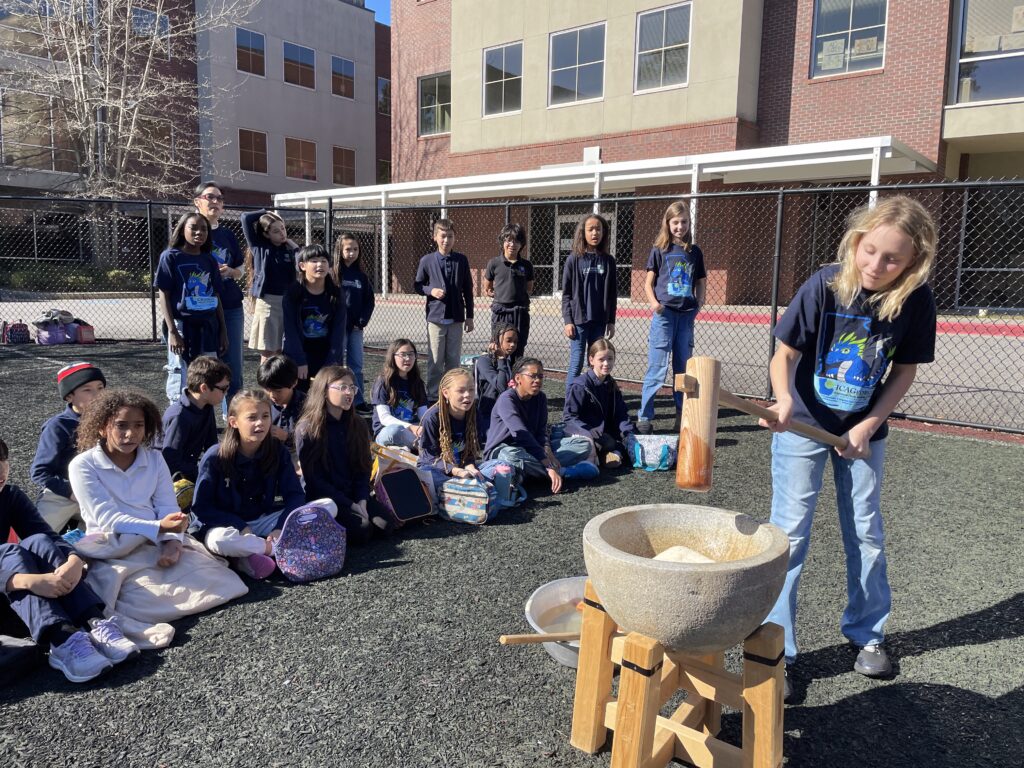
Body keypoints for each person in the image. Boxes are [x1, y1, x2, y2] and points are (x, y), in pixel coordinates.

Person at [758, 196, 938, 695]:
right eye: (871, 250)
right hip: (805, 425)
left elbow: (904, 371)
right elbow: (785, 354)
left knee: (866, 530)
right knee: (788, 534)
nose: (876, 265)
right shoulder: (824, 285)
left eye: (892, 259)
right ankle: (779, 649)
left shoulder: (916, 300)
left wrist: (869, 424)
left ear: (912, 262)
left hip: (864, 432)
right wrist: (784, 399)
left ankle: (868, 636)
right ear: (857, 240)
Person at [1, 438, 139, 684]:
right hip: (9, 599)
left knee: (39, 541)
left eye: (3, 460)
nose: (1, 469)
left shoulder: (9, 495)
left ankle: (93, 622)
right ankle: (61, 640)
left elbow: (50, 536)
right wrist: (26, 580)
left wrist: (75, 560)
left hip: (23, 600)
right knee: (10, 552)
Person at [191, 390, 309, 580]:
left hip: (263, 520)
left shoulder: (277, 450)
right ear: (233, 422)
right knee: (221, 541)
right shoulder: (216, 456)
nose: (260, 423)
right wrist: (240, 526)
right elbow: (202, 508)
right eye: (252, 418)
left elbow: (295, 495)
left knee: (326, 506)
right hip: (226, 526)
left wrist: (279, 527)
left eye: (265, 416)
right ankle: (269, 550)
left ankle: (248, 556)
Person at [68, 390, 192, 570]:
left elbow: (167, 507)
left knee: (216, 579)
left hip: (155, 540)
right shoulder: (82, 465)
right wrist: (161, 527)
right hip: (109, 543)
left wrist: (173, 542)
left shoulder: (155, 459)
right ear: (102, 427)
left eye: (138, 425)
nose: (130, 434)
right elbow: (108, 520)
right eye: (121, 425)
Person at [296, 366, 389, 544]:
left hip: (353, 493)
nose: (349, 392)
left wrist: (362, 499)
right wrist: (350, 504)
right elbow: (314, 480)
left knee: (385, 525)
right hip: (325, 499)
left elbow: (364, 467)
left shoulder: (359, 424)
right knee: (363, 530)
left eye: (352, 387)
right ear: (324, 391)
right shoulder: (307, 429)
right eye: (342, 387)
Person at [637, 201, 707, 434]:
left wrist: (699, 302)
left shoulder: (694, 252)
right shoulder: (659, 249)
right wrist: (655, 304)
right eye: (675, 222)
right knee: (657, 367)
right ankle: (645, 417)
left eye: (684, 222)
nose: (680, 226)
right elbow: (648, 282)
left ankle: (682, 415)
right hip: (664, 316)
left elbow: (700, 281)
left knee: (682, 369)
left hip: (686, 316)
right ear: (668, 223)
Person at [483, 358, 597, 495]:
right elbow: (522, 435)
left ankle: (526, 474)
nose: (537, 380)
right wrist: (548, 464)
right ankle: (564, 472)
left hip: (532, 450)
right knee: (510, 456)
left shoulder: (541, 398)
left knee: (583, 444)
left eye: (540, 376)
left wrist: (547, 451)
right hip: (503, 450)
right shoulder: (507, 399)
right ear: (518, 378)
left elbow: (541, 432)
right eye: (533, 376)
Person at [155, 211, 228, 396]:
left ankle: (204, 419)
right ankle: (180, 418)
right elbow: (164, 293)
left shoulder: (209, 259)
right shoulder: (170, 256)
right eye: (193, 228)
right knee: (181, 374)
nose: (199, 233)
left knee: (209, 375)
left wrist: (223, 330)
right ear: (182, 230)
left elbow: (216, 295)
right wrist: (172, 332)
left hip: (208, 325)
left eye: (203, 229)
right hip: (182, 325)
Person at [30, 362, 107, 533]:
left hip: (97, 493)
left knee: (117, 536)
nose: (97, 395)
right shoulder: (58, 426)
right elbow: (40, 472)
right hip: (61, 496)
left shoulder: (110, 421)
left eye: (100, 388)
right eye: (87, 390)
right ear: (69, 397)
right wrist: (70, 492)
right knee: (36, 538)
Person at [193, 182, 245, 409]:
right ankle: (200, 414)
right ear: (197, 202)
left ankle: (233, 414)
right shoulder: (188, 231)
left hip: (231, 306)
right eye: (210, 197)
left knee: (233, 364)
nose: (215, 202)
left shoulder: (228, 235)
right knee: (204, 366)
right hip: (201, 310)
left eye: (219, 199)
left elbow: (241, 269)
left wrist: (232, 272)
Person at [413, 219, 474, 400]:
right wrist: (430, 290)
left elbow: (468, 290)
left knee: (453, 361)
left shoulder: (461, 260)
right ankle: (433, 396)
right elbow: (417, 285)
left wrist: (469, 316)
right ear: (435, 238)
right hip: (436, 319)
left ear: (455, 238)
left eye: (450, 236)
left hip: (456, 318)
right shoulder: (427, 260)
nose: (446, 240)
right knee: (435, 361)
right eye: (443, 236)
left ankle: (452, 395)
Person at [561, 213, 617, 394]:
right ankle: (570, 404)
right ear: (582, 233)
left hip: (599, 321)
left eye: (598, 229)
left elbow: (612, 294)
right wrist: (568, 320)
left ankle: (594, 398)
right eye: (590, 229)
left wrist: (611, 321)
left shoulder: (608, 261)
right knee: (576, 361)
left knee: (597, 362)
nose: (595, 233)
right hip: (579, 321)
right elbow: (567, 294)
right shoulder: (573, 259)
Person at [282, 244, 347, 386]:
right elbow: (290, 330)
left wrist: (331, 364)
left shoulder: (336, 293)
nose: (320, 265)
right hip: (300, 351)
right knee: (300, 396)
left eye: (324, 261)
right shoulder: (293, 293)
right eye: (314, 261)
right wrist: (299, 361)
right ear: (302, 266)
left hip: (326, 352)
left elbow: (338, 332)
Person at [161, 356, 231, 483]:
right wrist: (202, 471)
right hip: (169, 477)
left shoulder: (206, 406)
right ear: (204, 388)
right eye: (223, 389)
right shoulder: (180, 416)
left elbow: (212, 445)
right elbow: (170, 461)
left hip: (188, 470)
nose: (226, 393)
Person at [564, 339, 632, 469]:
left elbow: (621, 414)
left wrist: (629, 433)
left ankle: (615, 454)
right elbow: (569, 417)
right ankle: (610, 453)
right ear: (591, 360)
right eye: (601, 359)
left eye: (610, 359)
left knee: (642, 429)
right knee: (608, 442)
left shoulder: (611, 384)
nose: (606, 363)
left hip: (608, 431)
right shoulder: (580, 385)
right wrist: (589, 432)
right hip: (588, 434)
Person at [241, 209, 299, 362]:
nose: (281, 233)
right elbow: (245, 217)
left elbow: (302, 264)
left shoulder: (289, 249)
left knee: (281, 350)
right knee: (268, 351)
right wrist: (266, 211)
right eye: (275, 231)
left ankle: (278, 383)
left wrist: (295, 247)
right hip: (267, 303)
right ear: (266, 234)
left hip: (287, 303)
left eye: (283, 228)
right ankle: (267, 384)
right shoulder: (259, 246)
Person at [334, 232, 375, 416]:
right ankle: (334, 398)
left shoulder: (361, 276)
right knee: (336, 364)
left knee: (356, 365)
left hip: (356, 329)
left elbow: (369, 301)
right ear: (340, 251)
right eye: (348, 249)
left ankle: (357, 401)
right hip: (338, 327)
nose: (352, 253)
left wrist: (362, 321)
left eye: (355, 249)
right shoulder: (333, 274)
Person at [484, 223, 533, 359]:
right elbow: (487, 287)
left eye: (516, 240)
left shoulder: (526, 265)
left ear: (521, 244)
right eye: (509, 240)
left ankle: (515, 377)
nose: (512, 244)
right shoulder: (494, 263)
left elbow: (529, 288)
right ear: (503, 242)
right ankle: (499, 377)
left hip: (520, 313)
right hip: (501, 313)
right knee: (499, 348)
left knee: (518, 347)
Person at [371, 339, 429, 450]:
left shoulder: (417, 383)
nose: (407, 358)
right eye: (403, 355)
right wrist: (411, 427)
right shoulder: (383, 382)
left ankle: (406, 449)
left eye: (411, 354)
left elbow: (424, 415)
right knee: (395, 431)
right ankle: (423, 448)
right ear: (393, 357)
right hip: (388, 432)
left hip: (411, 433)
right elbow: (384, 418)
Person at [474, 323, 518, 441]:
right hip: (486, 413)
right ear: (496, 341)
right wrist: (501, 359)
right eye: (508, 340)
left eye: (515, 341)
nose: (513, 344)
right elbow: (501, 387)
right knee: (502, 437)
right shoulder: (484, 361)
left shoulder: (507, 360)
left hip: (505, 411)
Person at [257, 355, 307, 450]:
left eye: (278, 391)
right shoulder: (262, 403)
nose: (272, 395)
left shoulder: (307, 406)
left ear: (294, 383)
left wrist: (287, 437)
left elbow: (315, 440)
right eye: (267, 390)